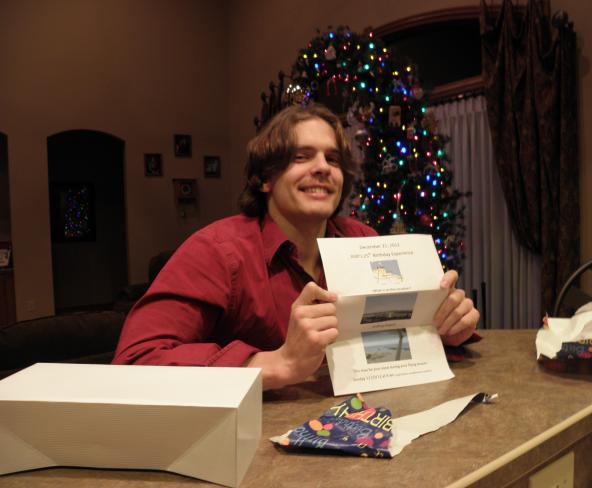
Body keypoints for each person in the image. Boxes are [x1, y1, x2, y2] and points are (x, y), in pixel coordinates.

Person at [112, 104, 479, 389]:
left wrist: (445, 327)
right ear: (266, 179)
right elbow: (133, 362)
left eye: (332, 159)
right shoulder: (217, 252)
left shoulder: (363, 241)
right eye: (301, 157)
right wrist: (275, 364)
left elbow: (395, 339)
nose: (323, 168)